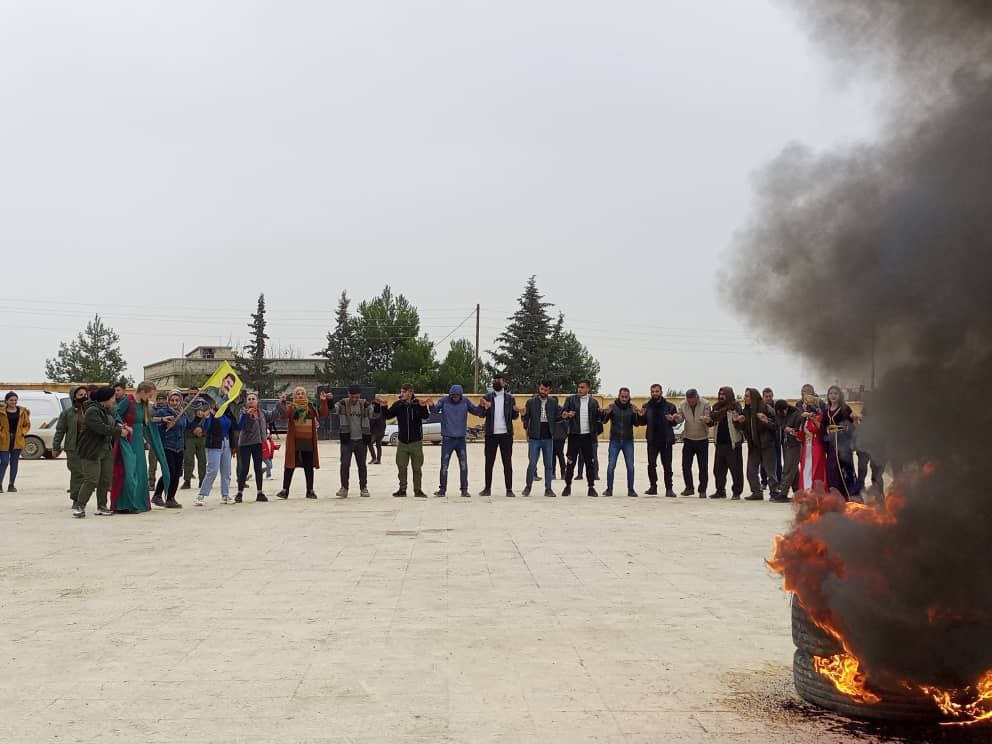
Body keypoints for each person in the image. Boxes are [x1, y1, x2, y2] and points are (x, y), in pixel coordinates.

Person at [111, 381, 168, 514]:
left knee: (140, 472)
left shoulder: (144, 404)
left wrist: (162, 420)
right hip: (127, 441)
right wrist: (123, 426)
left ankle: (138, 503)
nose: (150, 397)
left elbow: (147, 422)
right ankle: (125, 504)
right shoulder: (128, 401)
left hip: (138, 442)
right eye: (149, 394)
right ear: (142, 392)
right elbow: (115, 414)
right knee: (128, 473)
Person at [72, 387, 129, 517]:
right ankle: (80, 506)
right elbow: (100, 428)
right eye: (112, 398)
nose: (114, 400)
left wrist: (121, 426)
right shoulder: (92, 411)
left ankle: (102, 506)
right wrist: (119, 432)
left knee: (105, 480)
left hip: (106, 449)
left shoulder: (108, 410)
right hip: (91, 450)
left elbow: (113, 423)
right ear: (106, 398)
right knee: (91, 479)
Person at [432, 384, 484, 497]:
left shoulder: (465, 401)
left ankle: (464, 490)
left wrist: (481, 405)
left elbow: (476, 412)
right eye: (453, 396)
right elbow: (434, 410)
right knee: (444, 465)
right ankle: (442, 490)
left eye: (457, 396)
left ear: (461, 395)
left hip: (461, 439)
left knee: (463, 465)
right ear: (450, 395)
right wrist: (431, 404)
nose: (455, 397)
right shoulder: (444, 401)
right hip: (447, 438)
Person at [275, 387, 325, 499]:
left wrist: (323, 401)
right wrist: (282, 403)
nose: (300, 395)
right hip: (294, 442)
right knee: (289, 466)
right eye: (298, 393)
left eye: (302, 393)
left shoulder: (310, 407)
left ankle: (310, 491)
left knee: (309, 467)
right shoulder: (291, 407)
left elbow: (322, 414)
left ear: (306, 395)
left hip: (308, 441)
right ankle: (285, 490)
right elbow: (283, 415)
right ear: (294, 396)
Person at [384, 384, 432, 498]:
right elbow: (388, 416)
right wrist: (383, 406)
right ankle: (402, 489)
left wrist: (423, 407)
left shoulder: (418, 404)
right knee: (401, 466)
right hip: (402, 442)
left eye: (403, 392)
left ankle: (418, 490)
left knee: (417, 468)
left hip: (416, 442)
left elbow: (426, 416)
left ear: (410, 393)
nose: (401, 394)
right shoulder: (398, 405)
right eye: (401, 392)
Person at [476, 374, 519, 497]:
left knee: (507, 462)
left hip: (506, 435)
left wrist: (516, 411)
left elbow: (514, 417)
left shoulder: (510, 398)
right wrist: (483, 406)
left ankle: (509, 490)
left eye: (498, 380)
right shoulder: (487, 397)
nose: (495, 382)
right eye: (494, 380)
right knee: (489, 462)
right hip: (491, 435)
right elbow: (481, 414)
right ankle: (487, 489)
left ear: (504, 383)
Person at [561, 379, 603, 497]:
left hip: (588, 436)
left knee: (590, 463)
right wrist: (566, 415)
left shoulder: (594, 402)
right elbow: (563, 414)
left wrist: (601, 413)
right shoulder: (570, 400)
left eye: (582, 387)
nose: (580, 389)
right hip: (574, 435)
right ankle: (567, 486)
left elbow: (598, 418)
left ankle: (591, 487)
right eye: (579, 387)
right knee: (571, 462)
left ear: (588, 388)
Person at [600, 387, 645, 497]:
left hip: (628, 441)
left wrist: (637, 415)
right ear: (619, 396)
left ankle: (631, 490)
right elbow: (604, 421)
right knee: (611, 466)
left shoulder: (632, 408)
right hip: (614, 441)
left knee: (630, 466)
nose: (624, 399)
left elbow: (636, 424)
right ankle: (609, 489)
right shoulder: (612, 407)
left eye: (626, 397)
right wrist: (606, 413)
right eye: (622, 396)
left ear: (629, 397)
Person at [521, 380, 561, 497]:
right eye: (541, 389)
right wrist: (523, 415)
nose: (543, 391)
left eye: (546, 390)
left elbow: (557, 417)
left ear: (550, 390)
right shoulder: (531, 402)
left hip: (548, 437)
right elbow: (526, 419)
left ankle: (548, 488)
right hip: (534, 437)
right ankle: (528, 487)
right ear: (539, 388)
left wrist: (564, 416)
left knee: (548, 465)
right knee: (532, 463)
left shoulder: (553, 402)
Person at [703, 386, 744, 499]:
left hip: (733, 444)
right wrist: (708, 421)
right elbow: (712, 422)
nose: (721, 396)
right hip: (720, 443)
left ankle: (736, 493)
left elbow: (740, 425)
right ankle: (720, 491)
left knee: (736, 470)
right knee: (718, 470)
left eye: (724, 394)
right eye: (720, 394)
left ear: (729, 395)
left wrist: (737, 421)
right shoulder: (716, 407)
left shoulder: (735, 407)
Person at [195, 402, 239, 506]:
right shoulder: (211, 414)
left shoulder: (228, 414)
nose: (221, 404)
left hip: (227, 444)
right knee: (212, 471)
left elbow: (236, 427)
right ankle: (201, 495)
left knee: (226, 472)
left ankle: (225, 495)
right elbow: (206, 427)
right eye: (219, 402)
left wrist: (245, 416)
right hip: (214, 444)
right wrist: (207, 418)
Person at [742, 387, 780, 501]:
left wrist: (766, 421)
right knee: (751, 471)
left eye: (747, 396)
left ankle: (774, 493)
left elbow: (777, 425)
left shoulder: (766, 408)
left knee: (770, 472)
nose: (745, 398)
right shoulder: (746, 410)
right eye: (745, 396)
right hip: (754, 445)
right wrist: (738, 422)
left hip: (767, 444)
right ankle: (757, 492)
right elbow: (745, 428)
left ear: (753, 397)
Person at [642, 383, 681, 497]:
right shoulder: (646, 406)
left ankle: (669, 489)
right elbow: (642, 422)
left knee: (667, 466)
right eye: (653, 391)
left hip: (666, 440)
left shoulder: (670, 406)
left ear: (661, 392)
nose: (655, 393)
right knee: (651, 465)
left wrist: (673, 420)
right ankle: (653, 487)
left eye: (657, 391)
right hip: (652, 440)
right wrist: (640, 415)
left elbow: (675, 423)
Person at [335, 385, 372, 498]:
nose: (355, 399)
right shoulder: (342, 404)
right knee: (345, 464)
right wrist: (328, 401)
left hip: (361, 440)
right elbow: (332, 409)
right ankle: (344, 488)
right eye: (352, 397)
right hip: (347, 439)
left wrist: (379, 405)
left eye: (357, 397)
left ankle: (363, 487)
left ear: (360, 395)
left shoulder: (365, 404)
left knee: (362, 465)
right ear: (348, 394)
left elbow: (374, 414)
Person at [152, 390, 187, 508]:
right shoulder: (162, 412)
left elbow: (185, 427)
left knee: (177, 473)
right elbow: (153, 426)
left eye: (177, 400)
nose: (174, 402)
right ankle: (157, 495)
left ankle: (171, 498)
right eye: (172, 400)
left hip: (179, 447)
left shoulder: (183, 413)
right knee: (169, 472)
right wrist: (164, 424)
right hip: (167, 446)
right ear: (168, 400)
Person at [54, 386, 89, 503]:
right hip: (73, 447)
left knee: (87, 474)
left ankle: (82, 498)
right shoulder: (67, 413)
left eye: (85, 394)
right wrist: (56, 447)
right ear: (74, 397)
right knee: (77, 472)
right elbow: (60, 431)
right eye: (80, 395)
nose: (84, 397)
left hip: (88, 447)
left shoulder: (91, 411)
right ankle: (76, 498)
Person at [824, 385, 858, 500]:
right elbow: (823, 427)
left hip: (843, 444)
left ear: (840, 395)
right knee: (832, 469)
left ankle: (849, 496)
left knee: (845, 469)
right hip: (831, 445)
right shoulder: (826, 410)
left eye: (835, 393)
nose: (833, 396)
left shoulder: (845, 409)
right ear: (828, 396)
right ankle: (836, 496)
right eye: (831, 393)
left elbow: (852, 426)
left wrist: (854, 421)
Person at [235, 392, 269, 503]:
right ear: (246, 401)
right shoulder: (242, 411)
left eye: (253, 398)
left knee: (258, 468)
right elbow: (241, 426)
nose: (251, 400)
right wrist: (247, 416)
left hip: (257, 443)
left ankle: (260, 492)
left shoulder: (261, 412)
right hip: (245, 444)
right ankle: (239, 493)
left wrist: (281, 404)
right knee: (244, 468)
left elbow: (273, 415)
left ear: (257, 401)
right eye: (249, 399)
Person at [678, 389, 711, 498]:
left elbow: (709, 418)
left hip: (702, 439)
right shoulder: (683, 404)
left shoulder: (705, 403)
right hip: (688, 439)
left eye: (692, 400)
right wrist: (676, 418)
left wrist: (706, 419)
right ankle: (689, 488)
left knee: (703, 467)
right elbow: (680, 419)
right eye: (688, 400)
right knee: (685, 465)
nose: (690, 403)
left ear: (697, 397)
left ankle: (702, 490)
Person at [797, 385, 827, 491]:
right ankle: (806, 490)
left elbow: (820, 429)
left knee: (816, 468)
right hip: (806, 446)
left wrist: (813, 419)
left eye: (806, 393)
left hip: (817, 445)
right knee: (806, 468)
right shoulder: (802, 412)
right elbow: (800, 433)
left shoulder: (820, 414)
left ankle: (816, 490)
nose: (803, 395)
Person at [774, 399, 803, 503]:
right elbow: (780, 424)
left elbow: (800, 429)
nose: (784, 413)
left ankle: (783, 493)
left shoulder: (797, 414)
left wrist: (792, 430)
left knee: (789, 469)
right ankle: (798, 492)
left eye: (784, 411)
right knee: (793, 469)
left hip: (795, 444)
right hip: (787, 444)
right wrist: (785, 428)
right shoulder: (779, 414)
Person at [0, 392, 30, 493]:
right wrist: (1, 433)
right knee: (4, 462)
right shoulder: (1, 411)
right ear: (6, 401)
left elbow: (27, 424)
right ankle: (0, 485)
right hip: (4, 440)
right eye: (11, 400)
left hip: (17, 440)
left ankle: (11, 485)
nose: (13, 402)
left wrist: (22, 432)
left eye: (15, 400)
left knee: (14, 463)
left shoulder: (22, 411)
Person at [759, 387, 783, 493]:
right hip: (763, 438)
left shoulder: (776, 407)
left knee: (777, 461)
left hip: (775, 438)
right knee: (763, 462)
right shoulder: (760, 407)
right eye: (766, 396)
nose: (768, 398)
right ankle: (764, 482)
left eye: (770, 396)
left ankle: (779, 481)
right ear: (763, 397)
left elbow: (779, 419)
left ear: (772, 396)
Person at [181, 402, 208, 489]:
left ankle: (202, 481)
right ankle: (187, 480)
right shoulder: (184, 406)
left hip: (202, 436)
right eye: (191, 394)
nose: (193, 395)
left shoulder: (205, 405)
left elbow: (208, 420)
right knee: (188, 459)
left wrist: (201, 429)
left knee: (202, 460)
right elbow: (184, 421)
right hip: (189, 437)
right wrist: (194, 429)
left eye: (194, 394)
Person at [147, 390, 169, 489]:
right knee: (152, 464)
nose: (161, 401)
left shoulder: (170, 410)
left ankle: (167, 483)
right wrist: (161, 419)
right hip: (155, 440)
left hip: (167, 441)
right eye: (159, 399)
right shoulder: (152, 410)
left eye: (163, 399)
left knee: (166, 464)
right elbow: (149, 420)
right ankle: (151, 483)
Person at [369, 397, 387, 465]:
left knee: (370, 444)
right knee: (378, 445)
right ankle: (378, 460)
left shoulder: (375, 411)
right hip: (381, 431)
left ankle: (374, 458)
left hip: (375, 431)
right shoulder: (383, 410)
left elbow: (372, 421)